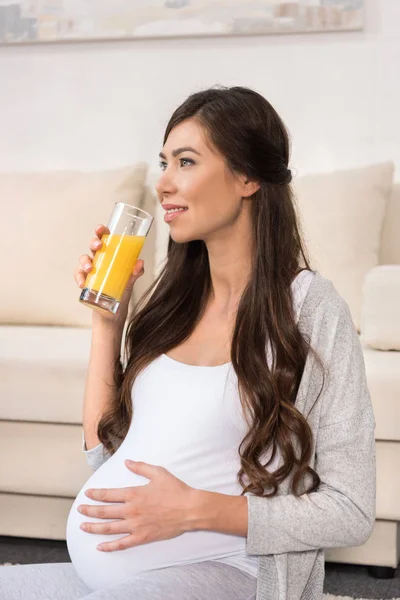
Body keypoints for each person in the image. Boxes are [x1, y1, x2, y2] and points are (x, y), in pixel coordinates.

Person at [0, 85, 376, 600]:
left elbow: (351, 511)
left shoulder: (309, 309)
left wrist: (196, 509)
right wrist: (109, 321)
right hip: (113, 575)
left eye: (185, 161)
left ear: (247, 177)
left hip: (231, 572)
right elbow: (103, 457)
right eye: (163, 163)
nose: (163, 183)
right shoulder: (174, 303)